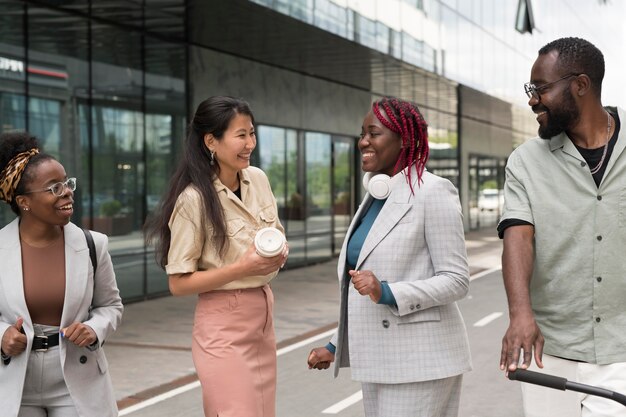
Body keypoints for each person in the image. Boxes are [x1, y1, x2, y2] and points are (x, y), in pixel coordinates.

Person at [307, 97, 472, 417]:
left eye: (374, 133)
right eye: (362, 133)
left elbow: (456, 280)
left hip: (421, 360)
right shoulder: (376, 195)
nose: (363, 141)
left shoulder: (433, 192)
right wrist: (334, 345)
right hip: (380, 360)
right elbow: (357, 285)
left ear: (405, 140)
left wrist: (388, 291)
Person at [498, 37, 626, 417]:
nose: (532, 99)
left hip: (622, 348)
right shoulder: (524, 162)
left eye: (540, 89)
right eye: (530, 90)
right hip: (549, 351)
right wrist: (520, 314)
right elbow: (518, 235)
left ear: (580, 85)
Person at [144, 96, 288, 417]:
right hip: (224, 328)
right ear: (211, 140)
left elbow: (274, 232)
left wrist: (279, 250)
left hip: (263, 318)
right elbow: (178, 283)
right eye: (240, 135)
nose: (250, 143)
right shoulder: (193, 200)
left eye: (252, 133)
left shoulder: (258, 179)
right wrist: (242, 267)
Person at [0, 132, 123, 417]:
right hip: (14, 380)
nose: (67, 191)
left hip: (77, 378)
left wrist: (94, 329)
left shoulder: (94, 244)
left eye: (67, 183)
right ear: (23, 201)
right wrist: (3, 335)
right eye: (54, 187)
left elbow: (111, 306)